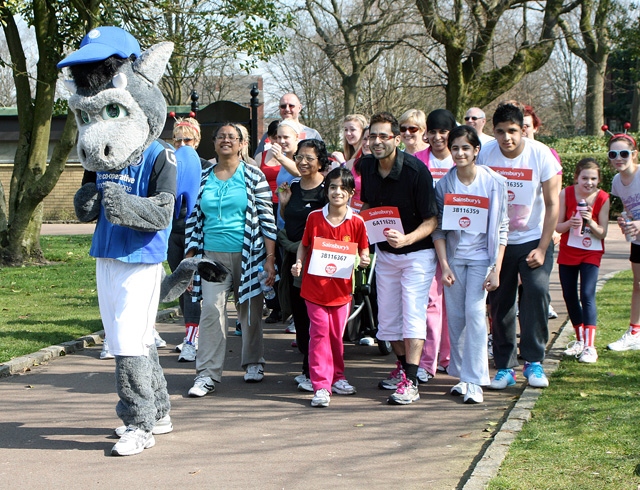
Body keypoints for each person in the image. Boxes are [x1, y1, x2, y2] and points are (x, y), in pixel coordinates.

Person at [184, 123, 277, 396]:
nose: (226, 140)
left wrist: (270, 259)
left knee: (250, 313)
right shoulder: (202, 178)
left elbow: (267, 219)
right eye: (221, 136)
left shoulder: (253, 176)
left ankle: (253, 363)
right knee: (211, 310)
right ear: (213, 144)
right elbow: (193, 220)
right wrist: (190, 262)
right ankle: (207, 374)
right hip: (212, 256)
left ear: (241, 144)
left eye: (232, 137)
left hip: (249, 255)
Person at [477, 102, 561, 390]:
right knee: (500, 301)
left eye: (512, 131)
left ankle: (534, 361)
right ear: (493, 132)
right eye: (500, 132)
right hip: (499, 242)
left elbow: (552, 205)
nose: (506, 138)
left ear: (523, 130)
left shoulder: (541, 156)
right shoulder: (485, 153)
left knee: (536, 293)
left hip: (532, 239)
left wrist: (542, 245)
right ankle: (504, 367)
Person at [360, 112, 438, 405]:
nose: (377, 141)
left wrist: (407, 238)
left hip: (418, 254)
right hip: (385, 254)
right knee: (388, 321)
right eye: (373, 136)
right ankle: (402, 368)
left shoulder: (416, 171)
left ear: (396, 139)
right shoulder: (367, 166)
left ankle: (412, 382)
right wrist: (361, 230)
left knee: (413, 316)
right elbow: (368, 203)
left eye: (383, 136)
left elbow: (432, 220)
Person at [433, 125, 508, 404]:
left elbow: (502, 229)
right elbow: (438, 229)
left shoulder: (494, 183)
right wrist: (444, 265)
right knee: (457, 319)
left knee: (476, 315)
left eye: (466, 147)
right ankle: (464, 378)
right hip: (454, 261)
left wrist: (495, 268)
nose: (460, 153)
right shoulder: (443, 185)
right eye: (455, 148)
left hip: (482, 260)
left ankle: (476, 380)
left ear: (476, 150)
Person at [291, 167, 370, 407]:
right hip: (314, 289)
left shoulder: (356, 221)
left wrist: (364, 259)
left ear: (351, 193)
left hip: (342, 292)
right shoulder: (314, 217)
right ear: (327, 190)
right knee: (320, 334)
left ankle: (338, 377)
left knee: (336, 336)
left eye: (343, 189)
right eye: (333, 187)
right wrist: (298, 263)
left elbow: (363, 248)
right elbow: (304, 245)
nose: (337, 192)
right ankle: (321, 385)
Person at [278, 139, 329, 391]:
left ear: (321, 160)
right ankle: (307, 367)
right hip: (294, 255)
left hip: (320, 260)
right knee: (299, 315)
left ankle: (315, 372)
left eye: (309, 157)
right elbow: (291, 220)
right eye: (299, 156)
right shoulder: (294, 186)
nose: (303, 162)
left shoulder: (328, 188)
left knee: (315, 318)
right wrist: (285, 203)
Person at [414, 109, 457, 383]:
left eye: (444, 131)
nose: (439, 137)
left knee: (452, 300)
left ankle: (450, 358)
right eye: (434, 131)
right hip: (425, 239)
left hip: (458, 240)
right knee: (430, 302)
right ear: (426, 133)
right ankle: (427, 362)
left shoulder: (462, 158)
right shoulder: (417, 160)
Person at [556, 158, 609, 363]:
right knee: (569, 294)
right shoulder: (566, 193)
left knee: (587, 293)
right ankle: (579, 339)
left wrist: (591, 222)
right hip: (569, 250)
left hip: (591, 251)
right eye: (584, 178)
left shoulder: (603, 198)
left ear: (599, 180)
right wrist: (571, 222)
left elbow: (602, 233)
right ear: (576, 177)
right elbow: (558, 227)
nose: (589, 183)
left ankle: (589, 346)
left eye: (593, 179)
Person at [167, 117, 211, 362]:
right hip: (172, 232)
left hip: (196, 233)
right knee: (181, 285)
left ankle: (192, 339)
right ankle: (191, 334)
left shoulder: (206, 167)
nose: (183, 144)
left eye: (188, 139)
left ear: (197, 141)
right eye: (178, 139)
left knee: (193, 286)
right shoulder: (168, 164)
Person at [607, 133, 640, 351]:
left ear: (634, 154)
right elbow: (629, 209)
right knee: (638, 284)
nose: (619, 158)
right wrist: (624, 219)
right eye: (613, 154)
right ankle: (634, 333)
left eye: (624, 153)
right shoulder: (617, 182)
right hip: (637, 240)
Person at [253, 93, 322, 157]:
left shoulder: (312, 134)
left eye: (291, 106)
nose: (287, 109)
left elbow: (322, 161)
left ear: (299, 108)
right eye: (283, 106)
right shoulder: (269, 135)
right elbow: (258, 160)